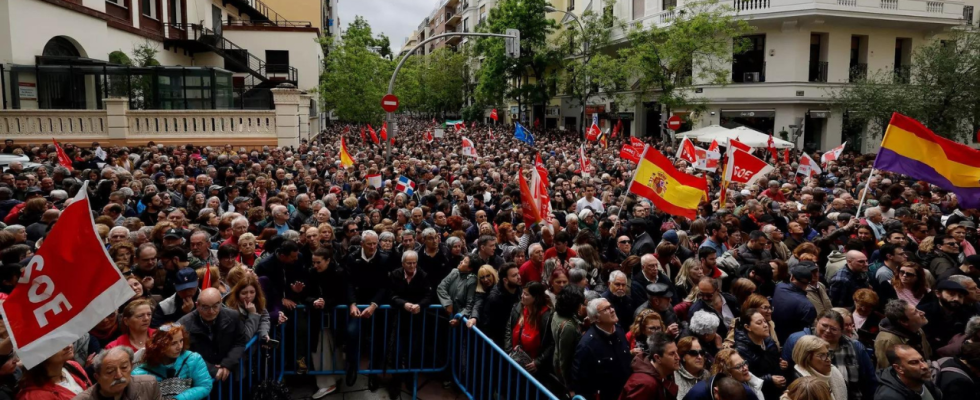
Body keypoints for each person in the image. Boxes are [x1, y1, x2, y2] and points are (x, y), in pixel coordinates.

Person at [784, 311, 878, 400]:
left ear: (841, 331)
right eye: (824, 325)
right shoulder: (798, 341)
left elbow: (870, 381)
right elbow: (786, 373)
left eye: (833, 329)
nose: (828, 330)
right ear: (816, 323)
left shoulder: (855, 347)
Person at [178, 288, 248, 380]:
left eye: (215, 306)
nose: (211, 311)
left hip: (233, 374)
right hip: (201, 378)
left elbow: (240, 342)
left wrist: (227, 364)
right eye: (205, 307)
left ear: (221, 302)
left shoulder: (233, 316)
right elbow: (185, 353)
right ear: (197, 305)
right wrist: (212, 369)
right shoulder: (184, 324)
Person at [571, 298, 633, 400]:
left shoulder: (619, 330)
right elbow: (580, 381)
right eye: (606, 309)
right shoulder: (587, 345)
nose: (612, 310)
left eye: (611, 306)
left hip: (626, 392)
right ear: (597, 318)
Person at [131, 324, 213, 400]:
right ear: (160, 345)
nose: (179, 347)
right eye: (173, 343)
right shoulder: (140, 372)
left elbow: (205, 385)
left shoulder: (193, 359)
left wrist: (179, 398)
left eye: (181, 341)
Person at [733, 308, 785, 400]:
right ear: (747, 327)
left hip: (777, 390)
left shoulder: (769, 341)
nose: (765, 325)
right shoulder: (741, 350)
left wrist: (781, 365)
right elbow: (745, 378)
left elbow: (774, 362)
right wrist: (769, 380)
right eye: (759, 323)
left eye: (765, 321)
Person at [505, 282, 553, 375]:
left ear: (536, 298)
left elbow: (552, 344)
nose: (522, 296)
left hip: (533, 369)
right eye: (522, 293)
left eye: (526, 294)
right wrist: (509, 352)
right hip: (513, 361)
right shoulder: (518, 308)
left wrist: (538, 362)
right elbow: (508, 329)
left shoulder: (546, 318)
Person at [75, 347, 161, 400]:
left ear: (131, 366)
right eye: (110, 372)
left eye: (124, 367)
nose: (119, 375)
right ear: (97, 377)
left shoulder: (149, 385)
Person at [918, 279, 979, 352]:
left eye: (960, 296)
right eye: (952, 294)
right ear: (938, 294)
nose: (956, 299)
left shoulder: (965, 312)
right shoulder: (923, 311)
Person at [619, 332, 680, 400]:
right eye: (672, 354)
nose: (678, 357)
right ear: (657, 358)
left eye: (677, 352)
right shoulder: (645, 384)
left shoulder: (667, 374)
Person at [685, 348, 764, 400]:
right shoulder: (697, 394)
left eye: (744, 363)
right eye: (738, 366)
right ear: (727, 373)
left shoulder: (746, 390)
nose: (745, 368)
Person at [16, 346, 90, 400]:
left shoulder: (73, 365)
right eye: (56, 344)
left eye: (66, 338)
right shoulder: (34, 396)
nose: (68, 346)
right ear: (38, 354)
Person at [874, 299, 931, 369]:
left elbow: (928, 354)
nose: (922, 313)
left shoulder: (918, 329)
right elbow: (889, 371)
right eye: (915, 313)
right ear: (904, 321)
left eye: (917, 309)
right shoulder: (888, 340)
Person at [788, 335, 848, 400]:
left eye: (827, 354)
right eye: (822, 356)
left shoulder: (834, 372)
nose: (828, 359)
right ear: (806, 358)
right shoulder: (801, 386)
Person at [773, 261, 819, 344]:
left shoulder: (779, 287)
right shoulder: (808, 306)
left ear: (792, 278)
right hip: (794, 343)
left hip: (776, 337)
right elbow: (807, 333)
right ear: (809, 282)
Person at [874, 345, 941, 400]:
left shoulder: (922, 378)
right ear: (898, 368)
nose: (924, 366)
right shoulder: (888, 397)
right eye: (914, 362)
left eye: (922, 360)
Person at [551, 285, 585, 391]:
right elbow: (564, 359)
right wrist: (568, 386)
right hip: (567, 370)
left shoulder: (557, 313)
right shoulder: (568, 327)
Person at [223, 274, 272, 342]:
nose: (248, 296)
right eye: (244, 293)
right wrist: (253, 314)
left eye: (252, 292)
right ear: (238, 294)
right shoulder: (231, 310)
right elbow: (245, 337)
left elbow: (264, 318)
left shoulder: (258, 302)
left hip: (254, 350)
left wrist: (264, 333)